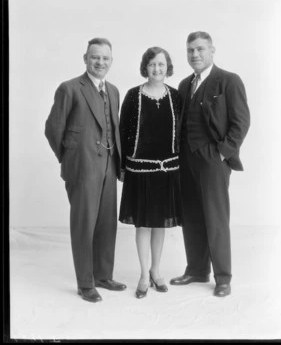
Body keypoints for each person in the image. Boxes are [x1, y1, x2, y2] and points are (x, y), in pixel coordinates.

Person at [45, 37, 126, 303]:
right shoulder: (69, 88)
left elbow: (113, 128)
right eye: (95, 57)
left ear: (111, 61)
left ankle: (103, 275)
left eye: (105, 58)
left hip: (109, 166)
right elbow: (52, 129)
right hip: (82, 169)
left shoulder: (113, 90)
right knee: (84, 225)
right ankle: (85, 283)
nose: (100, 62)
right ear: (85, 59)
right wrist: (70, 159)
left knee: (106, 225)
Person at [170, 31, 250, 297]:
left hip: (213, 159)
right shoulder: (183, 85)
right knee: (191, 216)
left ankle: (223, 277)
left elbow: (241, 122)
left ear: (212, 50)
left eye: (200, 49)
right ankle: (196, 270)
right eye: (191, 50)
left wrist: (222, 153)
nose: (195, 55)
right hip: (186, 159)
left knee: (215, 218)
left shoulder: (228, 80)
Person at [119, 47, 183, 299]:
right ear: (145, 67)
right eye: (152, 65)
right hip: (140, 170)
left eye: (161, 64)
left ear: (168, 67)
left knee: (160, 225)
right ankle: (144, 274)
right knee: (143, 224)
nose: (157, 69)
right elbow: (124, 130)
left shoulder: (176, 96)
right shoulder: (133, 95)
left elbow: (182, 132)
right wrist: (123, 166)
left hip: (167, 169)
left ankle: (157, 271)